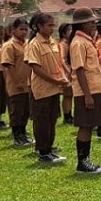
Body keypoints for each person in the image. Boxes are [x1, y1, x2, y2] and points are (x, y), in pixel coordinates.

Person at [68, 7, 101, 174]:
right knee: (85, 125)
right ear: (82, 24)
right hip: (86, 91)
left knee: (90, 124)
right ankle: (82, 162)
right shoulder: (78, 43)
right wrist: (87, 95)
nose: (94, 24)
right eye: (91, 21)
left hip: (94, 89)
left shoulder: (87, 41)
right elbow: (79, 70)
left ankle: (86, 160)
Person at [25, 13, 68, 164]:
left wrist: (66, 77)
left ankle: (49, 149)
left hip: (54, 89)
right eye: (49, 25)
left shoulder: (52, 42)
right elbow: (35, 68)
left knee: (51, 120)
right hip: (42, 90)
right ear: (39, 26)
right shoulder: (34, 44)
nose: (52, 28)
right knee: (42, 121)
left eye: (52, 25)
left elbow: (59, 63)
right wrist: (55, 80)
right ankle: (43, 152)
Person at [1, 17, 33, 147]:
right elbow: (8, 65)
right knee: (17, 110)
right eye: (21, 29)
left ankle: (23, 133)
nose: (24, 32)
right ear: (13, 30)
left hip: (28, 83)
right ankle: (17, 135)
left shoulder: (27, 44)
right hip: (16, 84)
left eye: (26, 29)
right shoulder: (9, 46)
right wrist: (16, 82)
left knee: (26, 110)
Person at [58, 23, 74, 125]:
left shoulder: (69, 43)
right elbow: (62, 60)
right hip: (67, 73)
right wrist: (69, 72)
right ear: (64, 33)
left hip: (70, 72)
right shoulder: (62, 44)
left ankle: (70, 114)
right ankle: (67, 116)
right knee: (67, 95)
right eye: (69, 30)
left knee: (70, 95)